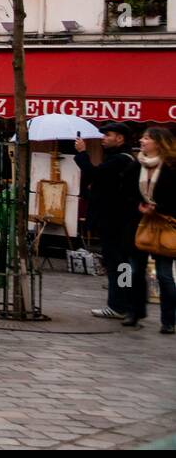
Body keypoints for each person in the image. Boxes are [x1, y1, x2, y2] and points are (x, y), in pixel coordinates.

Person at [74, 123, 138, 319]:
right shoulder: (125, 159)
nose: (103, 138)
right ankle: (126, 303)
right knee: (123, 263)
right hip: (123, 220)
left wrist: (82, 153)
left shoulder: (119, 160)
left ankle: (117, 305)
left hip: (115, 220)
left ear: (119, 138)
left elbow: (94, 174)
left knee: (116, 263)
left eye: (107, 135)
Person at [124, 125, 176, 332]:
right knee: (133, 271)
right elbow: (125, 191)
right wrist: (138, 205)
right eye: (142, 138)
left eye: (147, 138)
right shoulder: (136, 166)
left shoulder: (172, 166)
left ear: (159, 142)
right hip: (139, 224)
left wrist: (158, 208)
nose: (142, 141)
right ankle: (133, 312)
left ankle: (169, 320)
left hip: (164, 224)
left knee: (164, 275)